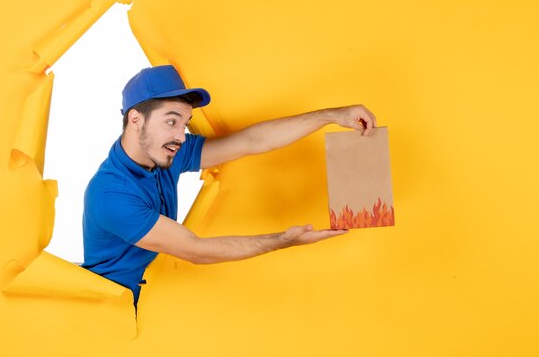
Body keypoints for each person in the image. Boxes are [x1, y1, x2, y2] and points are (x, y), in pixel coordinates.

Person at [82, 65, 377, 307]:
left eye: (184, 124)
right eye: (171, 122)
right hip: (115, 316)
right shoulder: (110, 195)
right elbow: (196, 250)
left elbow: (252, 141)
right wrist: (284, 240)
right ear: (135, 119)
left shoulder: (163, 150)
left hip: (154, 297)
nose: (181, 137)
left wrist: (332, 116)